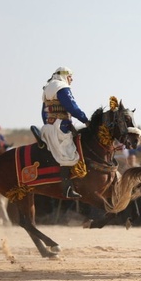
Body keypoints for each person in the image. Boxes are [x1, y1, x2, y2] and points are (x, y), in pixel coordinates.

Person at [41, 66, 89, 199]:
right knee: (69, 156)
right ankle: (67, 188)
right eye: (70, 76)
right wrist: (85, 120)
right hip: (60, 128)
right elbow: (72, 107)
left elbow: (43, 111)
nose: (71, 79)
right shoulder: (61, 87)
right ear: (64, 76)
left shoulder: (48, 88)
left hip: (48, 128)